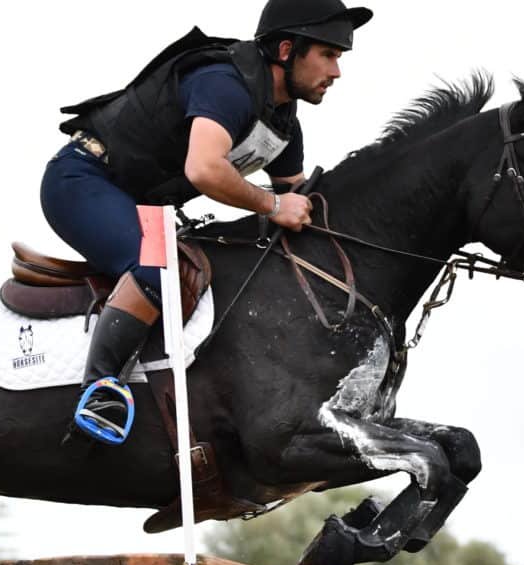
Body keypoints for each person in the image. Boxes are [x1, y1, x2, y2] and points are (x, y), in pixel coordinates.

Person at [40, 0, 373, 445]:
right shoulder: (225, 84)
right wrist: (273, 208)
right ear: (288, 49)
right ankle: (100, 391)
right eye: (329, 55)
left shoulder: (284, 124)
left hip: (141, 206)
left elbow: (299, 198)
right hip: (82, 179)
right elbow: (204, 169)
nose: (337, 72)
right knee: (159, 268)